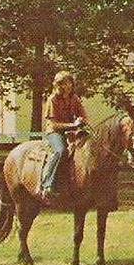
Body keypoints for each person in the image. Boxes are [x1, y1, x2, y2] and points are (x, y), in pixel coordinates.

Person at [40, 71, 89, 200]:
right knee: (60, 151)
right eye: (63, 84)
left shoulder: (75, 98)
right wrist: (73, 125)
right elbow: (54, 124)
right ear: (58, 85)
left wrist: (81, 121)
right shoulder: (53, 100)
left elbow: (83, 116)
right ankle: (47, 184)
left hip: (71, 130)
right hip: (54, 132)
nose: (67, 86)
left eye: (69, 83)